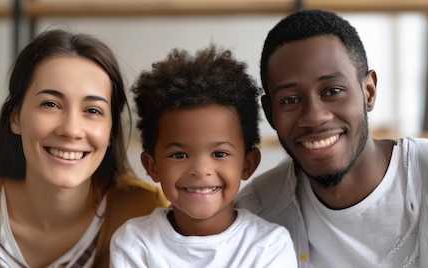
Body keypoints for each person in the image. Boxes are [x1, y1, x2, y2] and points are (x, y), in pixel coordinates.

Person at [235, 9, 428, 267]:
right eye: (290, 100)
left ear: (369, 92)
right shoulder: (255, 217)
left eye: (333, 91)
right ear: (270, 113)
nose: (314, 117)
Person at [0, 29, 169, 267]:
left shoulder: (146, 212)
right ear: (15, 118)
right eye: (50, 104)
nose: (71, 129)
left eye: (92, 110)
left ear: (111, 131)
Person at [109, 44, 297, 267]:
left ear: (248, 164)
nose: (200, 169)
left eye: (219, 153)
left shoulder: (269, 245)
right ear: (152, 166)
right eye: (179, 155)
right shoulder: (135, 243)